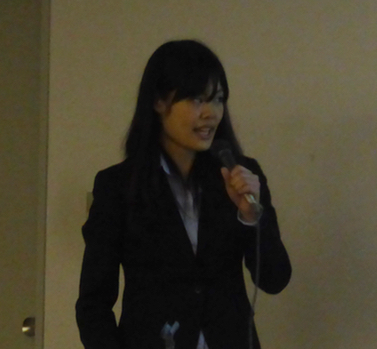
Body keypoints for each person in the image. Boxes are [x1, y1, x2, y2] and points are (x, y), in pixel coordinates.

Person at [76, 40, 291, 349]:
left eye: (218, 100)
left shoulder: (239, 176)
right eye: (196, 100)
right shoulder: (118, 186)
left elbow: (275, 279)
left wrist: (251, 217)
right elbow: (93, 304)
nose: (211, 114)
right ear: (158, 101)